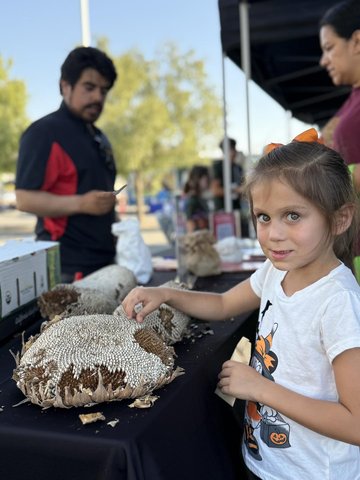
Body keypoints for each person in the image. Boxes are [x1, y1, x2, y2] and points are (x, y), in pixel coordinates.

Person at [123, 130, 360, 480]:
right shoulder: (275, 272)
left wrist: (261, 388)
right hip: (267, 464)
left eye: (292, 215)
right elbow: (222, 304)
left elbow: (354, 424)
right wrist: (167, 294)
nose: (273, 233)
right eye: (263, 217)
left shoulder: (339, 302)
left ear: (340, 218)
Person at [15, 46, 118, 283]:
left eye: (104, 91)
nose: (98, 98)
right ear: (65, 86)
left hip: (107, 263)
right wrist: (83, 203)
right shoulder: (44, 132)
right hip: (66, 269)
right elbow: (24, 198)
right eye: (89, 87)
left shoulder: (100, 137)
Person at [319, 0, 360, 280]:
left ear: (357, 41)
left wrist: (322, 176)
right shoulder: (351, 101)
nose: (323, 61)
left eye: (329, 48)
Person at [211, 137, 249, 237]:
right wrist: (236, 190)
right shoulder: (218, 167)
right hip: (223, 211)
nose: (234, 152)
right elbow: (215, 190)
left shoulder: (238, 168)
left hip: (237, 211)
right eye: (231, 149)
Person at [182, 165, 210, 233]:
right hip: (198, 240)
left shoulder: (199, 198)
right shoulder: (192, 200)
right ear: (198, 179)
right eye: (207, 178)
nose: (209, 180)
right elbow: (190, 227)